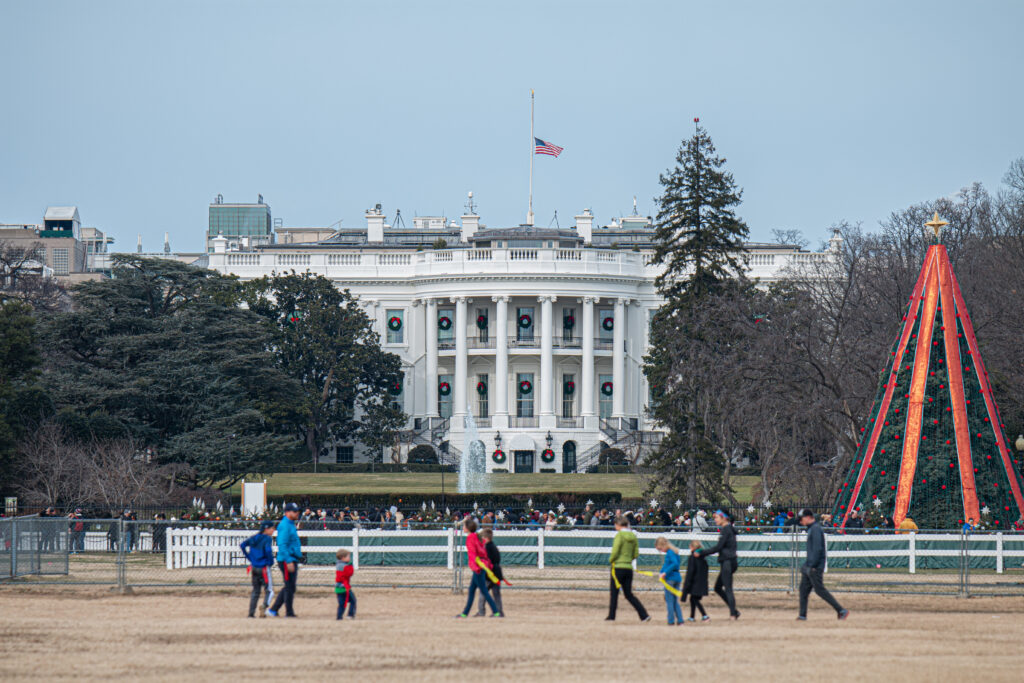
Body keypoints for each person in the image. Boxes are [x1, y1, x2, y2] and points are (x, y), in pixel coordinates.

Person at [797, 508, 849, 621]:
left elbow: (817, 549)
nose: (801, 522)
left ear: (808, 517)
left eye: (802, 519)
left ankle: (841, 610)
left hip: (814, 567)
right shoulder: (812, 529)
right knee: (803, 590)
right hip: (809, 566)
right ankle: (802, 615)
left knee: (820, 590)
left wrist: (813, 565)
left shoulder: (815, 529)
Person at [694, 510, 740, 620]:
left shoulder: (726, 530)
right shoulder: (728, 529)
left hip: (728, 562)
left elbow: (718, 547)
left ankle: (733, 614)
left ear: (723, 518)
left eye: (716, 518)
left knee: (728, 588)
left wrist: (701, 553)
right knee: (718, 587)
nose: (715, 520)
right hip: (729, 561)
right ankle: (734, 611)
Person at [606, 515, 650, 622]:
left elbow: (615, 551)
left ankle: (612, 616)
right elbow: (636, 553)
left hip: (618, 567)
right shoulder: (633, 536)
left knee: (614, 593)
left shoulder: (619, 536)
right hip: (628, 568)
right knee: (629, 594)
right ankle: (644, 615)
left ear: (619, 525)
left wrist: (611, 560)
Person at [457, 518, 501, 618]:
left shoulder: (470, 538)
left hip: (478, 567)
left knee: (484, 591)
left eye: (464, 526)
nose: (463, 528)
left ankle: (496, 612)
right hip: (480, 566)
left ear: (467, 528)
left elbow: (472, 554)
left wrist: (474, 567)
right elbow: (482, 551)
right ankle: (465, 613)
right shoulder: (476, 536)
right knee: (472, 591)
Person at [268, 503, 303, 617]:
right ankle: (288, 612)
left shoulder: (290, 524)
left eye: (297, 511)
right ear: (287, 512)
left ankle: (274, 610)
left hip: (291, 558)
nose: (297, 513)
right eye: (294, 511)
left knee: (290, 586)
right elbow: (282, 544)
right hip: (286, 559)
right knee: (289, 587)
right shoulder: (285, 525)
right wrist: (288, 561)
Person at [240, 520, 276, 618]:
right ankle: (264, 606)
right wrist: (270, 561)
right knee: (269, 590)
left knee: (256, 591)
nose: (273, 530)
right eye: (272, 528)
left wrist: (250, 558)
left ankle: (251, 613)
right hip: (263, 567)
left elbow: (242, 545)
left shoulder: (254, 537)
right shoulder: (267, 539)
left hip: (254, 567)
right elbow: (268, 550)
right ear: (266, 529)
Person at [475, 528, 505, 617]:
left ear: (486, 538)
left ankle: (481, 611)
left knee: (483, 592)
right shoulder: (493, 546)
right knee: (496, 594)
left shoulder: (487, 548)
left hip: (490, 573)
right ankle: (499, 612)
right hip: (497, 572)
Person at [655, 537, 682, 625]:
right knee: (674, 601)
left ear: (663, 545)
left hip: (671, 578)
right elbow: (667, 564)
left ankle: (671, 620)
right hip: (677, 578)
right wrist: (661, 572)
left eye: (660, 549)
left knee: (669, 600)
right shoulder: (674, 552)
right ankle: (680, 620)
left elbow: (674, 564)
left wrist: (664, 573)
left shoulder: (670, 553)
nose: (661, 551)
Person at [682, 539, 710, 622]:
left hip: (695, 582)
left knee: (694, 599)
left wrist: (687, 585)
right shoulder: (703, 558)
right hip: (702, 582)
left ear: (692, 547)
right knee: (693, 599)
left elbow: (690, 572)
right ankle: (692, 616)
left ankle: (705, 615)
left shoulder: (692, 558)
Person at [335, 549, 356, 620]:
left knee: (342, 604)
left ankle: (339, 616)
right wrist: (351, 565)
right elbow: (350, 573)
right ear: (343, 558)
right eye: (348, 557)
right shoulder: (345, 566)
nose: (349, 558)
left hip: (338, 588)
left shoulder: (338, 565)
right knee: (353, 601)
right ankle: (350, 615)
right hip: (345, 587)